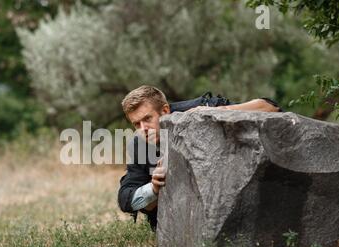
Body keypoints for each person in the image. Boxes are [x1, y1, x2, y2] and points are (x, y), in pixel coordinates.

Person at [117, 85, 282, 230]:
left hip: (240, 198)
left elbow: (270, 107)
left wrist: (213, 114)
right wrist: (153, 189)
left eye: (147, 119)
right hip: (182, 222)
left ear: (165, 111)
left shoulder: (200, 108)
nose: (143, 129)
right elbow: (125, 198)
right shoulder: (140, 145)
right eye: (136, 124)